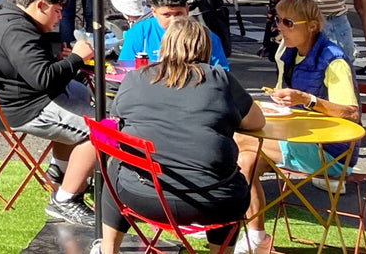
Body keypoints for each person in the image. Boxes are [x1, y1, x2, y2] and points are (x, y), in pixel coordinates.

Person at [102, 18, 261, 254]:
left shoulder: (136, 77)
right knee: (229, 178)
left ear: (165, 45)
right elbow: (257, 121)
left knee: (116, 167)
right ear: (205, 47)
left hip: (142, 196)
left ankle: (107, 249)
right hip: (214, 202)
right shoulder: (220, 79)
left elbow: (117, 115)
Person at [233, 0, 360, 254]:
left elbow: (351, 113)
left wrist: (308, 100)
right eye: (278, 20)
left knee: (237, 139)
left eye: (288, 22)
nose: (279, 27)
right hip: (296, 140)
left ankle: (209, 212)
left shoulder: (333, 60)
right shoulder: (289, 54)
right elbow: (286, 103)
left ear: (312, 26)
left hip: (332, 153)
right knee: (246, 162)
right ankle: (256, 238)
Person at [0, 0, 98, 228]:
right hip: (21, 108)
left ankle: (60, 170)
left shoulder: (3, 15)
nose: (59, 18)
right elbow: (43, 79)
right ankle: (65, 199)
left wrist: (56, 58)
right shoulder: (16, 30)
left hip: (11, 98)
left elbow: (28, 66)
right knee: (102, 132)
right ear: (40, 5)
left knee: (80, 92)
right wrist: (76, 58)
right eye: (57, 11)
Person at [118, 0, 230, 68]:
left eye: (178, 14)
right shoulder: (139, 32)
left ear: (187, 10)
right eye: (166, 15)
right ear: (154, 12)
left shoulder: (205, 36)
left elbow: (221, 74)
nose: (173, 20)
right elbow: (124, 69)